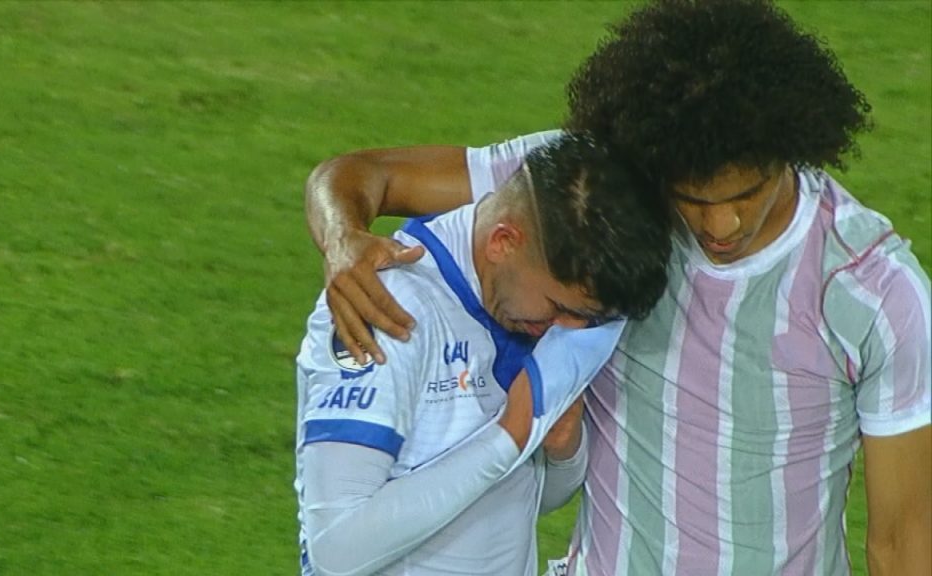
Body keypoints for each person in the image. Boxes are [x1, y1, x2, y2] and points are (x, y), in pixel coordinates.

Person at [304, 1, 931, 575]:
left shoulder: (875, 291)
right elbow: (364, 175)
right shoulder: (599, 192)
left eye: (746, 194)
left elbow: (904, 541)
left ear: (793, 152)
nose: (720, 225)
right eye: (693, 199)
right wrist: (342, 239)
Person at [295, 134, 671, 576]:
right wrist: (509, 435)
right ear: (503, 242)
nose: (566, 329)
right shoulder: (387, 306)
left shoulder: (526, 303)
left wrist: (563, 451)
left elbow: (518, 501)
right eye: (558, 306)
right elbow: (337, 548)